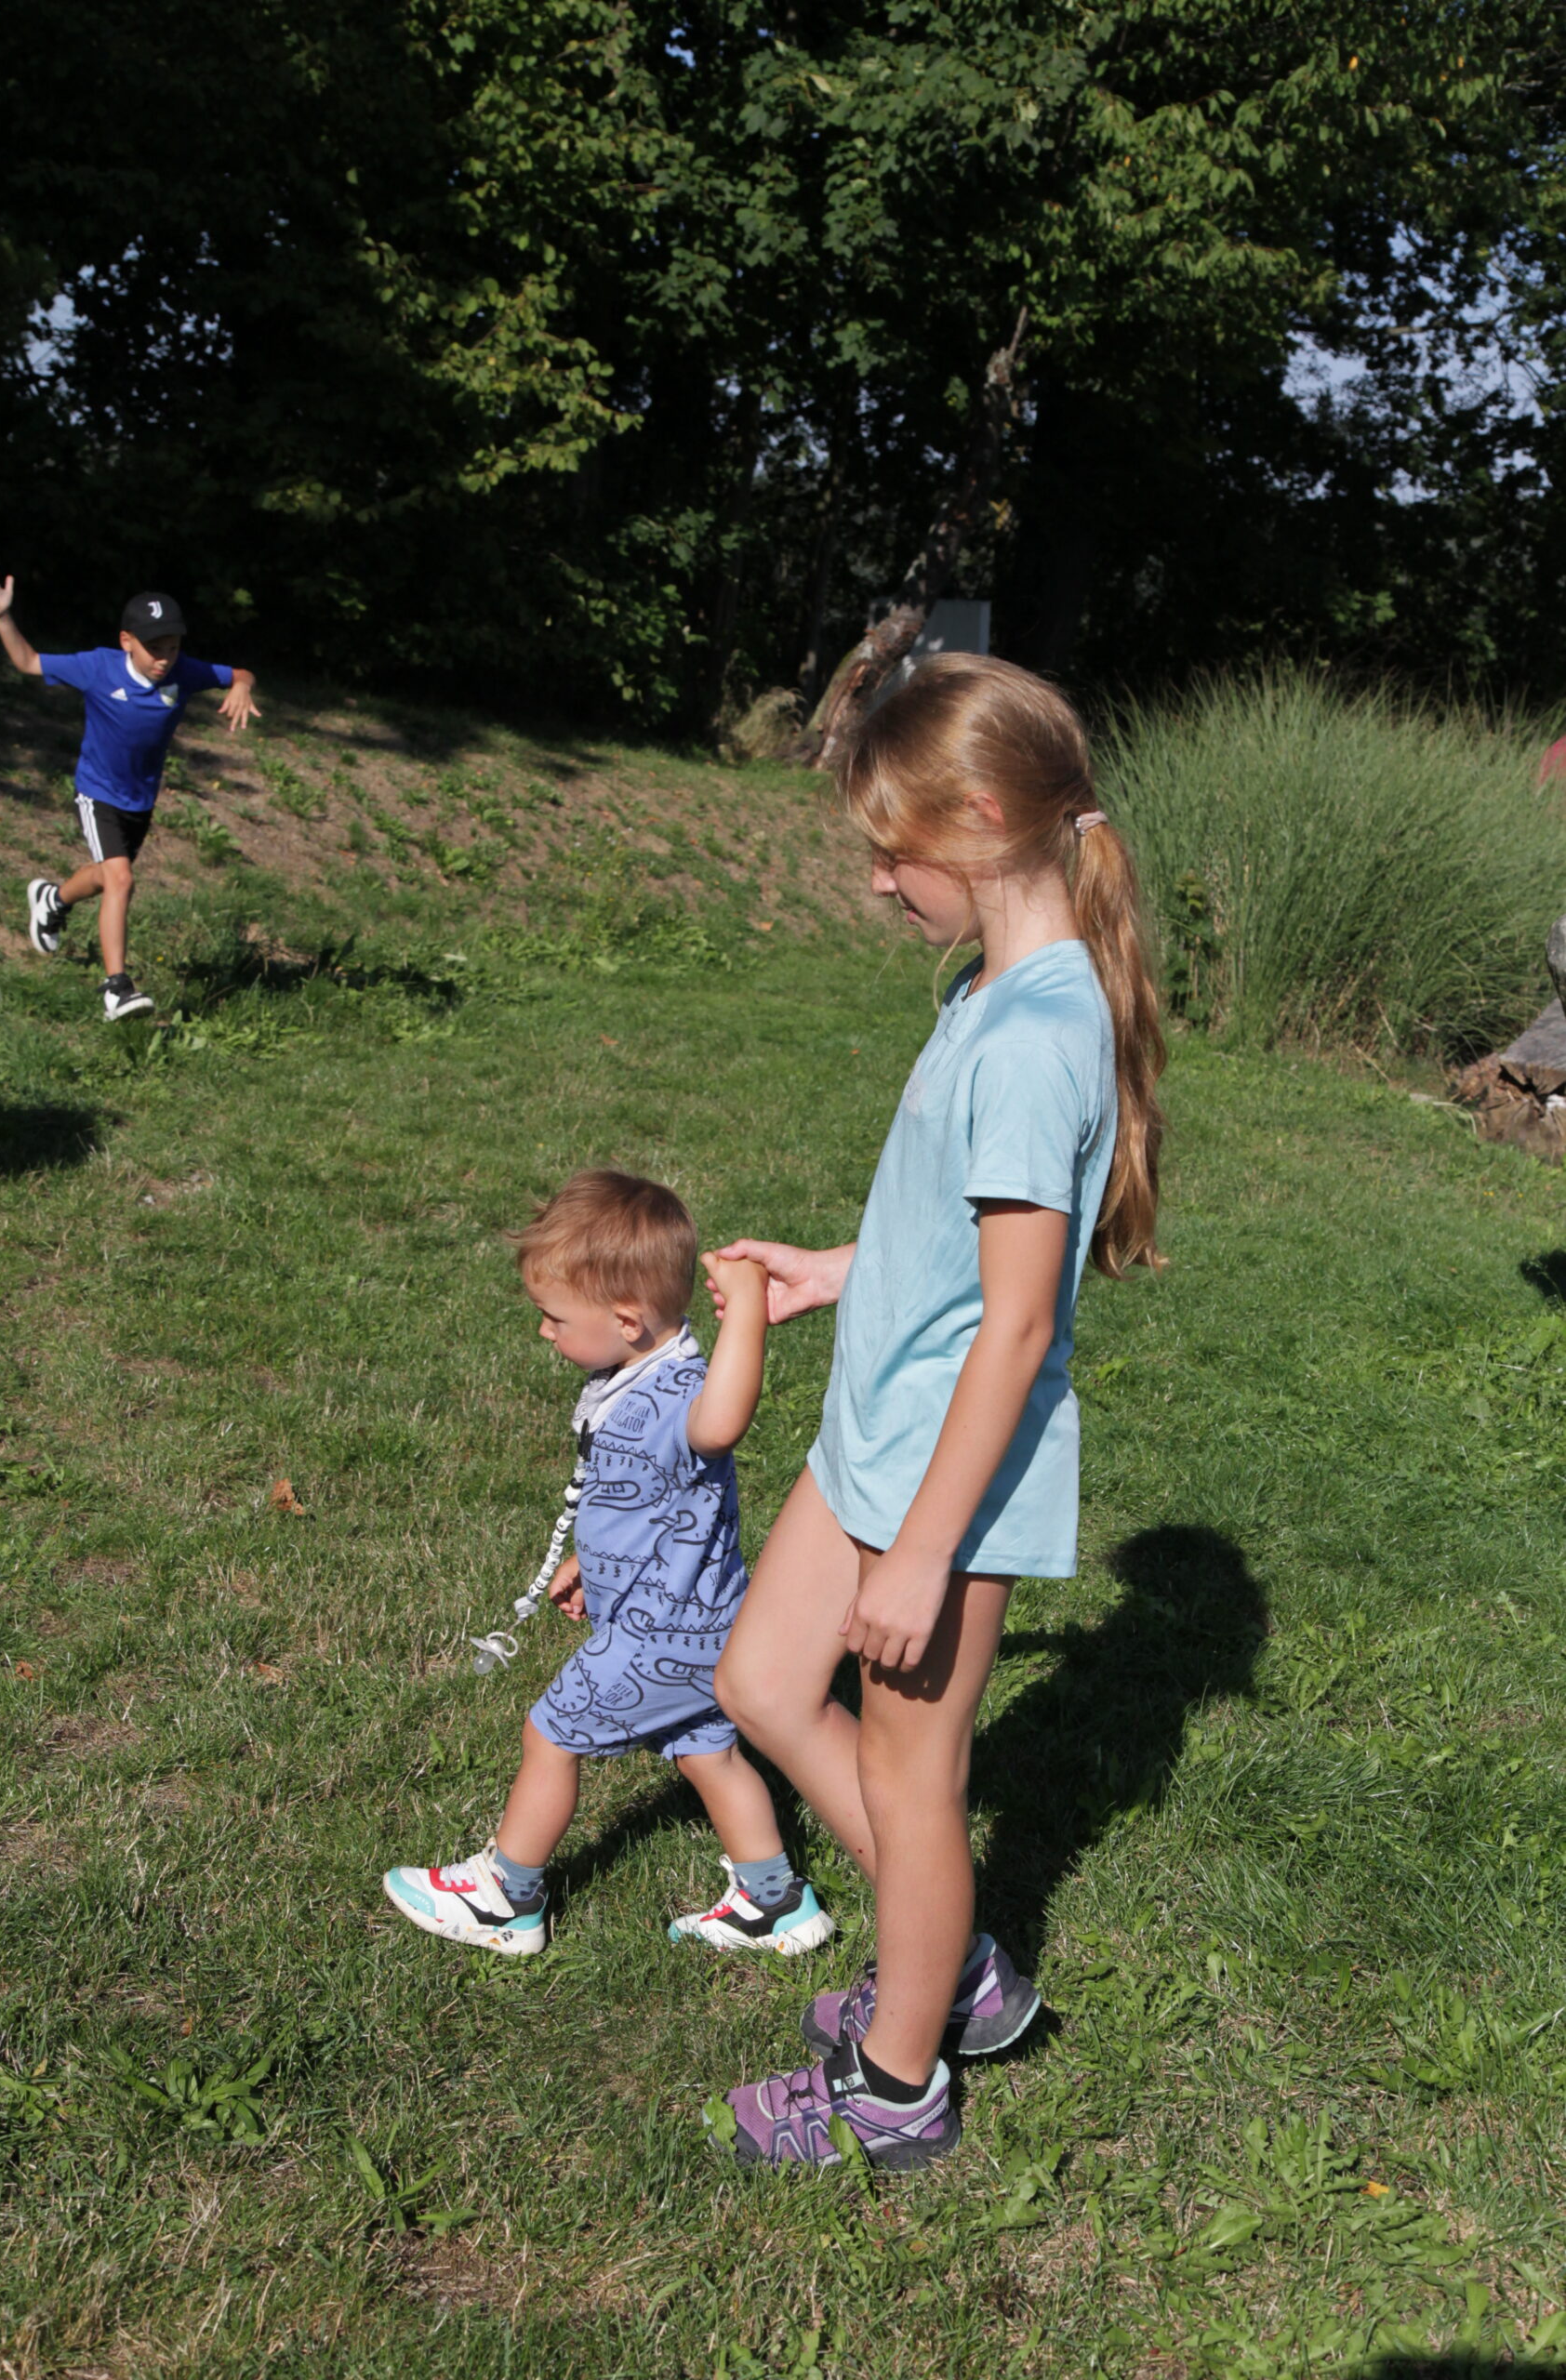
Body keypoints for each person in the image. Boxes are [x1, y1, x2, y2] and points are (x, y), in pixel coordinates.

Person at [704, 653, 1165, 2170]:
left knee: (914, 1786)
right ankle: (945, 1950)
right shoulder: (990, 992)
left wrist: (920, 1554)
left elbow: (1018, 1325)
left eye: (888, 850)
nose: (875, 882)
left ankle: (897, 2085)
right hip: (877, 1431)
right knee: (763, 1681)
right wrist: (839, 1272)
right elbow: (963, 1248)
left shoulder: (1036, 1038)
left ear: (975, 821)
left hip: (939, 1483)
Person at [383, 1168, 834, 1960]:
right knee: (707, 1751)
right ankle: (775, 1903)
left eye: (554, 1317)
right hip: (700, 1623)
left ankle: (505, 1898)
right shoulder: (630, 1376)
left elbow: (720, 1424)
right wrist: (588, 1564)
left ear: (626, 1320)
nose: (544, 1331)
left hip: (662, 1631)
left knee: (550, 1733)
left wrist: (747, 1313)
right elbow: (646, 1503)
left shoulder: (682, 1389)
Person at [0, 562, 259, 1020]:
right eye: (154, 648)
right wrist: (1, 615)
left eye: (172, 646)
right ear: (126, 641)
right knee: (122, 879)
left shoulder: (184, 673)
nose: (164, 658)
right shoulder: (97, 667)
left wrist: (243, 687)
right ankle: (117, 989)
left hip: (140, 800)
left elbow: (240, 673)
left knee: (106, 876)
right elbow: (28, 662)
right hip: (97, 793)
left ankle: (52, 900)